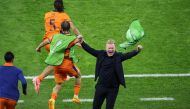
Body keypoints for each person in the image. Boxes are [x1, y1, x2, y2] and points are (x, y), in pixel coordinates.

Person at [33, 0, 82, 95]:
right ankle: (39, 79)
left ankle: (63, 75)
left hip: (47, 41)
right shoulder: (64, 16)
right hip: (57, 42)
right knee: (60, 61)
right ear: (62, 6)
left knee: (59, 61)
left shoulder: (47, 15)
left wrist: (39, 47)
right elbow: (73, 28)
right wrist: (80, 36)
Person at [79, 39, 143, 109]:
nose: (111, 50)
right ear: (106, 48)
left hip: (113, 89)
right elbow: (90, 50)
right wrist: (82, 42)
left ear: (115, 48)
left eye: (112, 48)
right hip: (101, 87)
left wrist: (137, 50)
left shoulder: (118, 56)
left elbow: (128, 55)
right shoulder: (101, 54)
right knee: (95, 107)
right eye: (109, 48)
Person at [36, 21, 82, 109]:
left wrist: (38, 47)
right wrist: (79, 37)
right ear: (69, 29)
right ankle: (75, 96)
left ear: (61, 28)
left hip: (56, 65)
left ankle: (52, 99)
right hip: (66, 64)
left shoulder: (55, 36)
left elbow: (46, 41)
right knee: (78, 76)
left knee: (59, 84)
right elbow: (79, 41)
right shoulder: (72, 38)